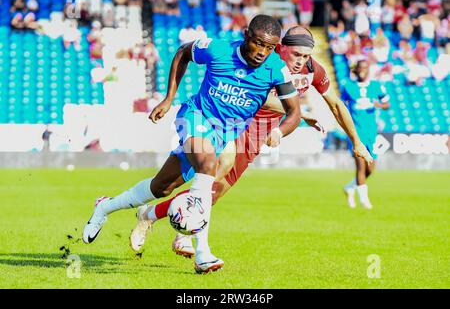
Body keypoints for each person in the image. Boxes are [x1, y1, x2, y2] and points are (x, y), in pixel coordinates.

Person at [82, 15, 301, 273]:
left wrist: (278, 131)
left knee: (161, 187)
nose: (262, 52)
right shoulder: (217, 48)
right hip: (196, 117)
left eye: (269, 47)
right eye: (257, 43)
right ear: (246, 35)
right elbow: (182, 53)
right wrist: (168, 98)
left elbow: (294, 113)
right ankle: (202, 254)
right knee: (208, 166)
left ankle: (105, 207)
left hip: (223, 134)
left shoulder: (277, 68)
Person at [130, 26, 374, 259]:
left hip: (257, 137)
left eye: (306, 55)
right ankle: (182, 235)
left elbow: (336, 105)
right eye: (297, 54)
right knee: (206, 179)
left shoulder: (313, 70)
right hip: (232, 124)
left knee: (216, 192)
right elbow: (258, 98)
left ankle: (150, 214)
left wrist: (357, 142)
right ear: (282, 47)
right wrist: (298, 112)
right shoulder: (267, 59)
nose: (301, 61)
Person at [342, 60, 390, 209]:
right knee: (361, 167)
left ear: (368, 70)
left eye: (365, 68)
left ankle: (350, 187)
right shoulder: (348, 87)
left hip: (372, 133)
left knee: (371, 169)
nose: (362, 70)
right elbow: (341, 106)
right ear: (356, 70)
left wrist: (379, 105)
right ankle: (364, 201)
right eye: (360, 68)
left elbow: (387, 104)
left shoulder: (376, 86)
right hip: (356, 134)